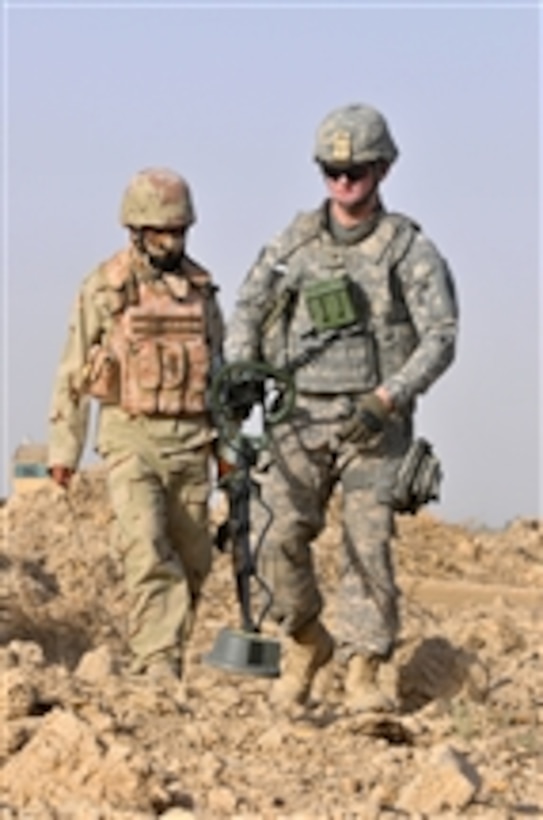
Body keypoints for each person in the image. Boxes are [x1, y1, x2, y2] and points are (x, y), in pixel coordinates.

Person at [224, 104, 459, 712]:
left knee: (367, 545)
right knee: (271, 536)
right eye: (333, 169)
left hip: (372, 425)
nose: (344, 180)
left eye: (356, 169)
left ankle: (364, 668)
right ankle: (305, 641)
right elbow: (248, 308)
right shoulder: (294, 242)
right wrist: (243, 372)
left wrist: (388, 398)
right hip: (298, 418)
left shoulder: (407, 250)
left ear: (382, 169)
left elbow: (441, 336)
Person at [48, 168, 224, 680]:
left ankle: (166, 648)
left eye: (178, 231)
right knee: (145, 543)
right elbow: (73, 371)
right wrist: (65, 451)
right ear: (137, 231)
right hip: (131, 436)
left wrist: (227, 449)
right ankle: (157, 661)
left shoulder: (201, 290)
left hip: (192, 441)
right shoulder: (105, 289)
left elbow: (221, 372)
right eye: (160, 232)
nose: (170, 242)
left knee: (193, 559)